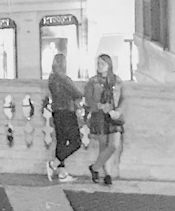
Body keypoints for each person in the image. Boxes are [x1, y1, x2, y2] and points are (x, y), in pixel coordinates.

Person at [42, 52, 86, 182]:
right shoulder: (64, 79)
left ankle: (62, 173)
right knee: (76, 142)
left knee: (61, 142)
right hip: (67, 111)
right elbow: (77, 93)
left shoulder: (52, 79)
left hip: (56, 112)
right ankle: (54, 164)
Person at [83, 54, 124, 185]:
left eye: (102, 64)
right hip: (100, 115)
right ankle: (107, 173)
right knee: (103, 145)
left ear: (109, 65)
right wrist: (99, 106)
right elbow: (88, 99)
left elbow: (124, 98)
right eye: (98, 63)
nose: (99, 66)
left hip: (113, 116)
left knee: (114, 145)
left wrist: (118, 111)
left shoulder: (117, 81)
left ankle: (95, 168)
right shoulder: (93, 81)